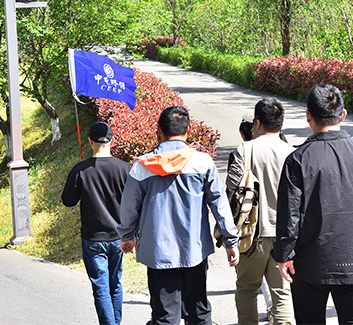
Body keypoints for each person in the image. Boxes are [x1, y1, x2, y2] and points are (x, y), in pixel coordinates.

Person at [272, 84, 353, 325]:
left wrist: (284, 254)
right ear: (343, 115)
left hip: (309, 261)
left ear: (308, 115)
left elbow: (289, 213)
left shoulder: (298, 159)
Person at [118, 105, 239, 325]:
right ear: (188, 129)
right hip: (195, 250)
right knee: (199, 312)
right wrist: (230, 240)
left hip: (158, 253)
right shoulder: (203, 162)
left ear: (158, 130)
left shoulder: (142, 167)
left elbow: (129, 207)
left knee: (165, 316)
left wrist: (127, 236)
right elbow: (219, 205)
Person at [226, 98, 295, 325]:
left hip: (250, 235)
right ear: (281, 125)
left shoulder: (244, 150)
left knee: (247, 290)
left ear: (256, 123)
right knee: (282, 293)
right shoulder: (292, 153)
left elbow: (230, 191)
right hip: (284, 236)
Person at [62, 122, 131, 325]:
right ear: (112, 141)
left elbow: (68, 201)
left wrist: (80, 178)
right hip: (118, 237)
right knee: (115, 284)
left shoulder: (80, 170)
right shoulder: (125, 168)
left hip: (93, 239)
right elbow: (133, 203)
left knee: (101, 288)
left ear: (90, 141)